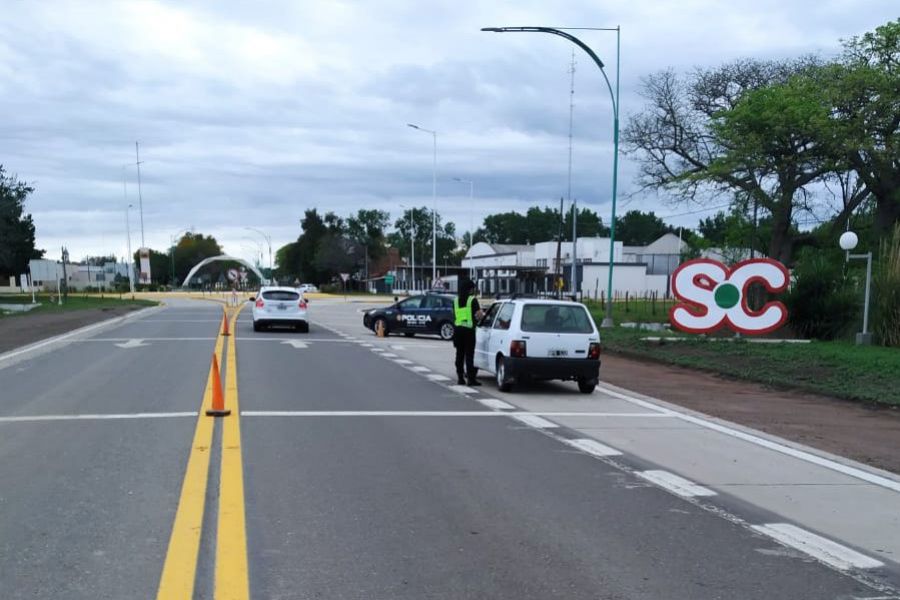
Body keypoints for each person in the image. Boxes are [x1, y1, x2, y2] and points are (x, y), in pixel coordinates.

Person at [453, 279, 483, 386]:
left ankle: (460, 378)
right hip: (469, 331)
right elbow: (479, 315)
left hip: (458, 330)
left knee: (459, 355)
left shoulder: (456, 300)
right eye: (473, 289)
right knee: (469, 355)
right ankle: (471, 379)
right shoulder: (472, 300)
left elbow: (455, 315)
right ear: (470, 289)